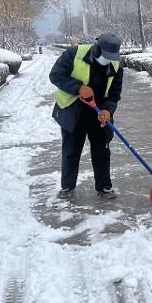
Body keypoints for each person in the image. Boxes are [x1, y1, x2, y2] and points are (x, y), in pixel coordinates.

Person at [49, 33, 124, 199]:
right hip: (73, 110)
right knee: (71, 150)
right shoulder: (73, 54)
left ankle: (104, 186)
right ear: (97, 49)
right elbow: (55, 75)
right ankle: (67, 187)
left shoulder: (116, 66)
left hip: (98, 113)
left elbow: (114, 94)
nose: (108, 60)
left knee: (102, 150)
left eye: (111, 57)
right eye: (105, 56)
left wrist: (108, 111)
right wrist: (78, 87)